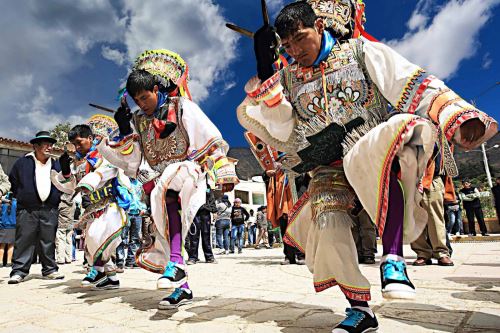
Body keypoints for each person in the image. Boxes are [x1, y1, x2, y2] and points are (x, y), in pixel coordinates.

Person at [235, 1, 497, 331]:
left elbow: (408, 82)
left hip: (366, 145)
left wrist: (454, 115)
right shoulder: (287, 78)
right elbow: (284, 131)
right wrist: (265, 70)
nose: (295, 50)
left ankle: (393, 260)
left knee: (402, 129)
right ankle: (359, 308)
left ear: (318, 27)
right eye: (286, 45)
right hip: (327, 165)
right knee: (328, 224)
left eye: (300, 38)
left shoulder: (359, 52)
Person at [98, 49, 238, 309]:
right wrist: (122, 129)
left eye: (145, 96)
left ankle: (175, 262)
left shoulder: (182, 106)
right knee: (164, 226)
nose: (142, 103)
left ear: (155, 87)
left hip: (187, 172)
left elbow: (209, 136)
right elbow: (134, 158)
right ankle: (181, 285)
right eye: (137, 100)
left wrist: (221, 167)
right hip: (158, 182)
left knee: (170, 189)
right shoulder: (139, 121)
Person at [51, 119, 131, 290]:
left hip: (112, 202)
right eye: (74, 144)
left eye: (79, 142)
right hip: (93, 206)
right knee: (92, 241)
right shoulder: (78, 163)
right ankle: (112, 278)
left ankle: (97, 269)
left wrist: (93, 178)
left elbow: (110, 171)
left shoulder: (105, 154)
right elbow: (73, 187)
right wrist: (65, 171)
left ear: (90, 138)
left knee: (100, 237)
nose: (77, 147)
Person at [8, 131, 64, 284]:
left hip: (50, 209)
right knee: (24, 239)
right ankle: (19, 271)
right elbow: (13, 181)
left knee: (48, 240)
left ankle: (50, 270)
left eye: (51, 144)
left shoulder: (56, 163)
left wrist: (55, 197)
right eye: (46, 144)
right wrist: (24, 196)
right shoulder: (23, 162)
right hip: (27, 209)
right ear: (36, 146)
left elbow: (63, 182)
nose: (49, 147)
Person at [411, 157, 453, 266]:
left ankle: (441, 252)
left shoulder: (438, 139)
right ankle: (422, 253)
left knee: (436, 218)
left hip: (432, 177)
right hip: (409, 179)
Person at [116, 178, 146, 271]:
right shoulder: (122, 182)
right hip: (125, 213)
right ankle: (120, 261)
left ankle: (131, 260)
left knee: (135, 238)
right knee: (122, 238)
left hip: (137, 213)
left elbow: (142, 198)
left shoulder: (139, 184)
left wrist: (143, 208)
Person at [187, 184, 217, 264]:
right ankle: (193, 257)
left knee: (206, 235)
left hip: (205, 212)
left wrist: (214, 210)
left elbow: (211, 197)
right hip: (194, 213)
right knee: (193, 236)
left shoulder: (207, 186)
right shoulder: (191, 185)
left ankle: (209, 257)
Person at [55, 193, 75, 265]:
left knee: (60, 241)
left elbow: (56, 211)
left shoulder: (61, 203)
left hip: (61, 224)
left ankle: (61, 259)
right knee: (69, 241)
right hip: (70, 224)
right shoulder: (73, 202)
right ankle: (68, 258)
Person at [0, 166, 13, 267]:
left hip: (4, 226)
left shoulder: (4, 204)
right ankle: (8, 262)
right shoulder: (15, 203)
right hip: (12, 226)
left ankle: (1, 262)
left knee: (2, 245)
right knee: (10, 245)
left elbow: (6, 182)